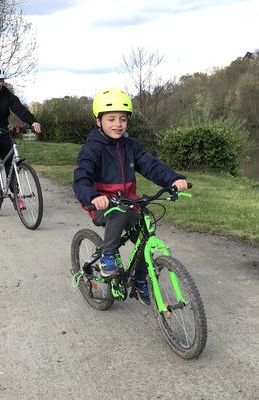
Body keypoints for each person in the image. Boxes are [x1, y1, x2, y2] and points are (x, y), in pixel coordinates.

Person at [73, 88, 188, 304]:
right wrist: (92, 196)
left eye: (123, 119)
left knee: (146, 233)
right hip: (102, 204)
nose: (118, 124)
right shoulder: (92, 148)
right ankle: (108, 256)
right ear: (99, 121)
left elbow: (151, 166)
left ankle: (140, 280)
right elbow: (81, 177)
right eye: (111, 119)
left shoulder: (131, 146)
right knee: (117, 213)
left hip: (128, 202)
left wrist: (173, 179)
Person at [0, 64, 41, 209]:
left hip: (1, 130)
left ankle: (16, 195)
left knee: (11, 163)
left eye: (0, 80)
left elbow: (19, 108)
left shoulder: (7, 94)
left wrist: (32, 121)